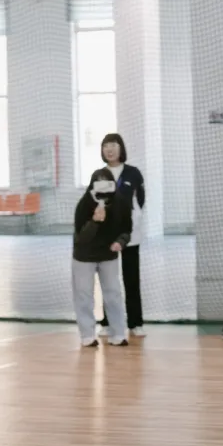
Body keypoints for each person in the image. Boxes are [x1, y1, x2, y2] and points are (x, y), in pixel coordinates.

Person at [72, 169, 131, 348]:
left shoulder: (121, 203)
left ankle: (118, 333)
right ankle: (87, 335)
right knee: (83, 295)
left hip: (108, 255)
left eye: (107, 182)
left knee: (113, 293)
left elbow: (126, 229)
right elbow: (81, 238)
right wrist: (95, 222)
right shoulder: (84, 204)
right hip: (84, 256)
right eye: (99, 182)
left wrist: (120, 242)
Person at [96, 133, 146, 338]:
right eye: (106, 146)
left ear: (121, 148)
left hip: (130, 235)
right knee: (108, 280)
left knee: (131, 279)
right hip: (106, 235)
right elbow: (96, 202)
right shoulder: (99, 175)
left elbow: (140, 200)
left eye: (113, 145)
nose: (109, 150)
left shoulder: (133, 173)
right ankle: (108, 322)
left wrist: (131, 220)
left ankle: (136, 323)